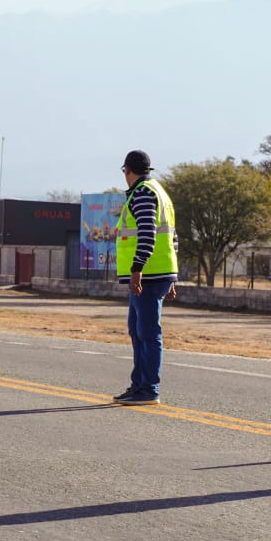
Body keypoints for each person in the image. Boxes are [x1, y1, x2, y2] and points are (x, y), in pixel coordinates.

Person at [113, 149, 178, 406]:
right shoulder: (159, 191)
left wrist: (137, 268)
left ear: (128, 170)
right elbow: (173, 238)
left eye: (124, 172)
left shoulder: (142, 193)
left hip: (149, 275)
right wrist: (174, 276)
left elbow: (149, 234)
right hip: (158, 272)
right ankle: (138, 384)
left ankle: (148, 388)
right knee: (137, 331)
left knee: (148, 333)